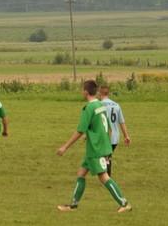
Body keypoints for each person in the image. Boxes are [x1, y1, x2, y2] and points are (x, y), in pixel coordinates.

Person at [56, 79, 131, 214]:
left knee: (104, 177)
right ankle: (73, 205)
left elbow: (80, 130)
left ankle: (124, 203)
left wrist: (65, 147)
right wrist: (102, 142)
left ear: (86, 92)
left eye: (82, 90)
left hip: (96, 149)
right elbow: (107, 127)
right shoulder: (100, 105)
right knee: (81, 173)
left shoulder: (88, 108)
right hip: (97, 147)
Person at [98, 84, 130, 176]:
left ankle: (107, 178)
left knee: (104, 158)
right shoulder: (116, 105)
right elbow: (122, 122)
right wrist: (126, 136)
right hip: (115, 138)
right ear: (108, 93)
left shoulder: (100, 105)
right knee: (107, 157)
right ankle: (107, 177)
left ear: (100, 93)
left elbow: (97, 121)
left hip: (105, 137)